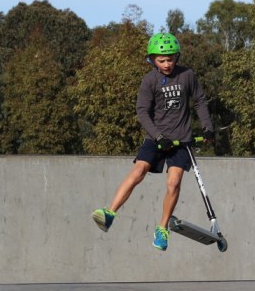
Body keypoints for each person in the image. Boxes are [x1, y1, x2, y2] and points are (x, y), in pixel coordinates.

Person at [91, 33, 214, 251]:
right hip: (156, 138)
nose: (167, 64)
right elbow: (142, 112)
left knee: (173, 182)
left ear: (176, 57)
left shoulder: (187, 75)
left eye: (170, 59)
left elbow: (200, 101)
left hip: (181, 140)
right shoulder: (150, 81)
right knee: (139, 170)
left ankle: (162, 228)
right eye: (161, 60)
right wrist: (158, 137)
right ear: (152, 60)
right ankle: (110, 213)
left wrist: (207, 127)